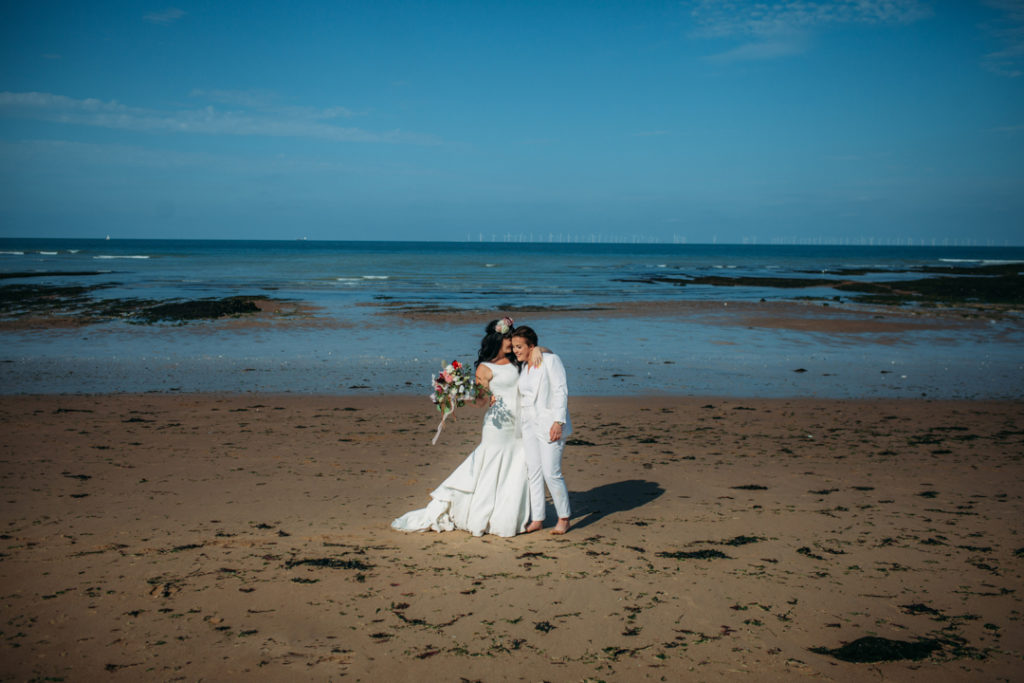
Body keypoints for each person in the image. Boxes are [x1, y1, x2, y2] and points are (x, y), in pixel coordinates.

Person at [391, 317, 531, 537]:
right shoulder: (485, 368)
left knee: (517, 466)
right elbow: (480, 401)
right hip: (498, 425)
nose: (511, 341)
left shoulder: (518, 361)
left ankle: (510, 514)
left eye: (512, 337)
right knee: (492, 467)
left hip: (521, 423)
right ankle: (483, 513)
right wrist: (455, 394)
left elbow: (539, 356)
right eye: (507, 337)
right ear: (497, 338)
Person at [510, 325, 572, 535]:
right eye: (514, 346)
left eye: (519, 346)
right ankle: (538, 517)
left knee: (551, 472)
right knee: (533, 471)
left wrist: (558, 421)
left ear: (531, 346)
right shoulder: (524, 366)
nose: (515, 350)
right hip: (528, 424)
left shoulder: (549, 361)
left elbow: (560, 390)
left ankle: (564, 517)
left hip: (548, 424)